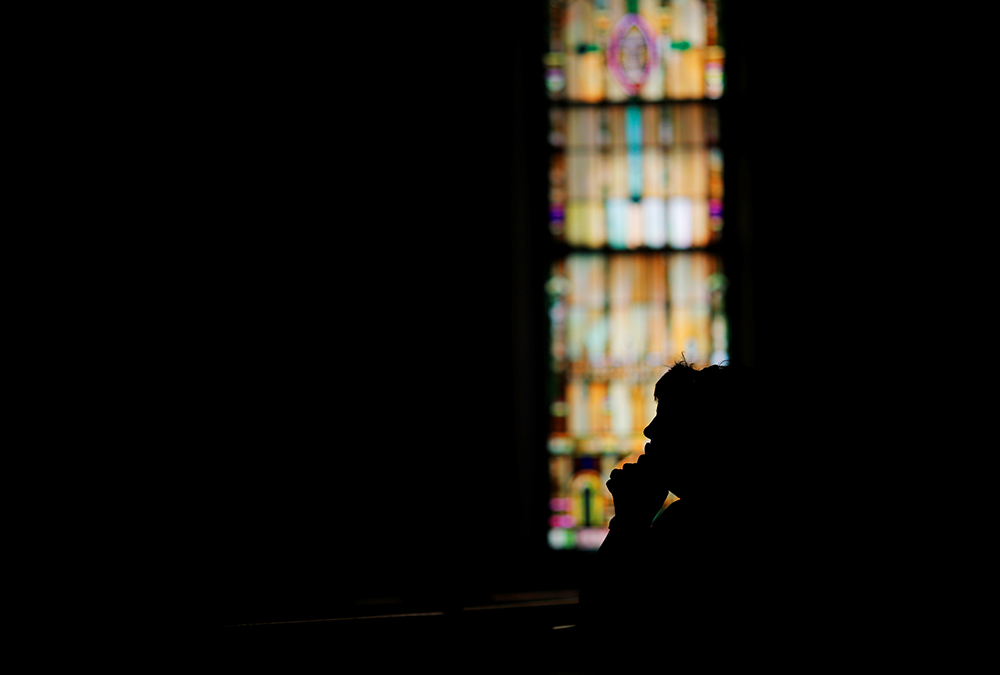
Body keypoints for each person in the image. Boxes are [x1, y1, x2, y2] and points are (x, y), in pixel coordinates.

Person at [577, 358, 783, 668]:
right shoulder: (701, 515)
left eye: (667, 419)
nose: (649, 430)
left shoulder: (692, 526)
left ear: (708, 436)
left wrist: (629, 520)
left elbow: (603, 631)